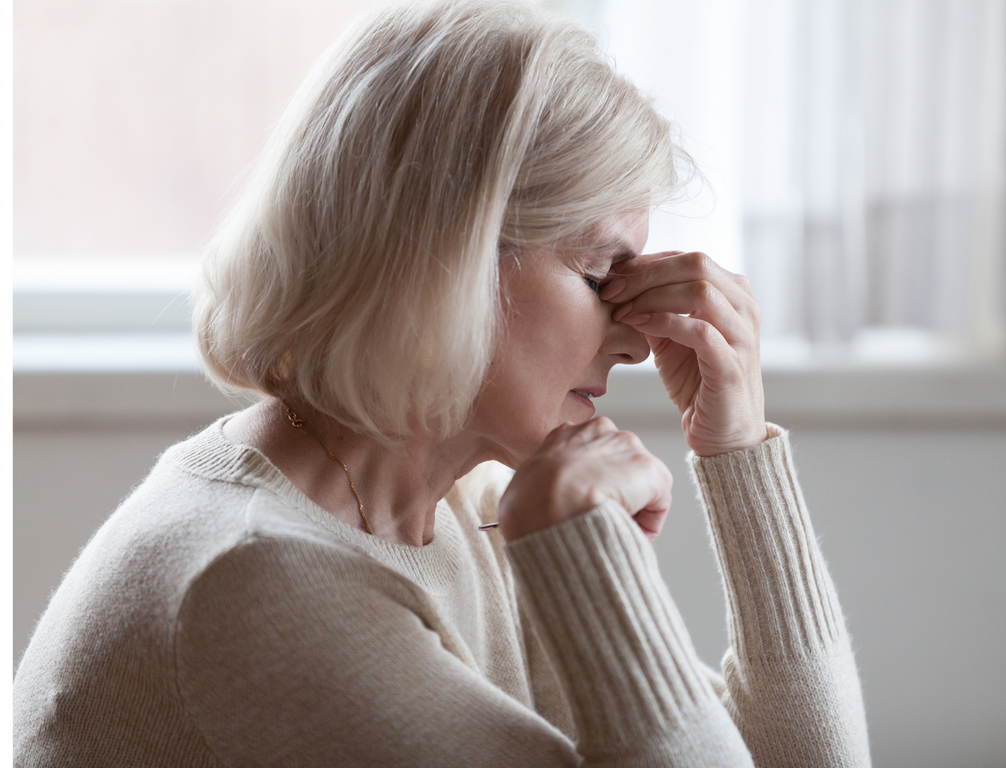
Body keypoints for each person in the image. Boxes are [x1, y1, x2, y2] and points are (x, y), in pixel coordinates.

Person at [13, 1, 871, 765]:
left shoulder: (469, 503)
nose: (636, 340)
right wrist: (587, 560)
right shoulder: (254, 584)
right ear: (450, 264)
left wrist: (738, 451)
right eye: (602, 274)